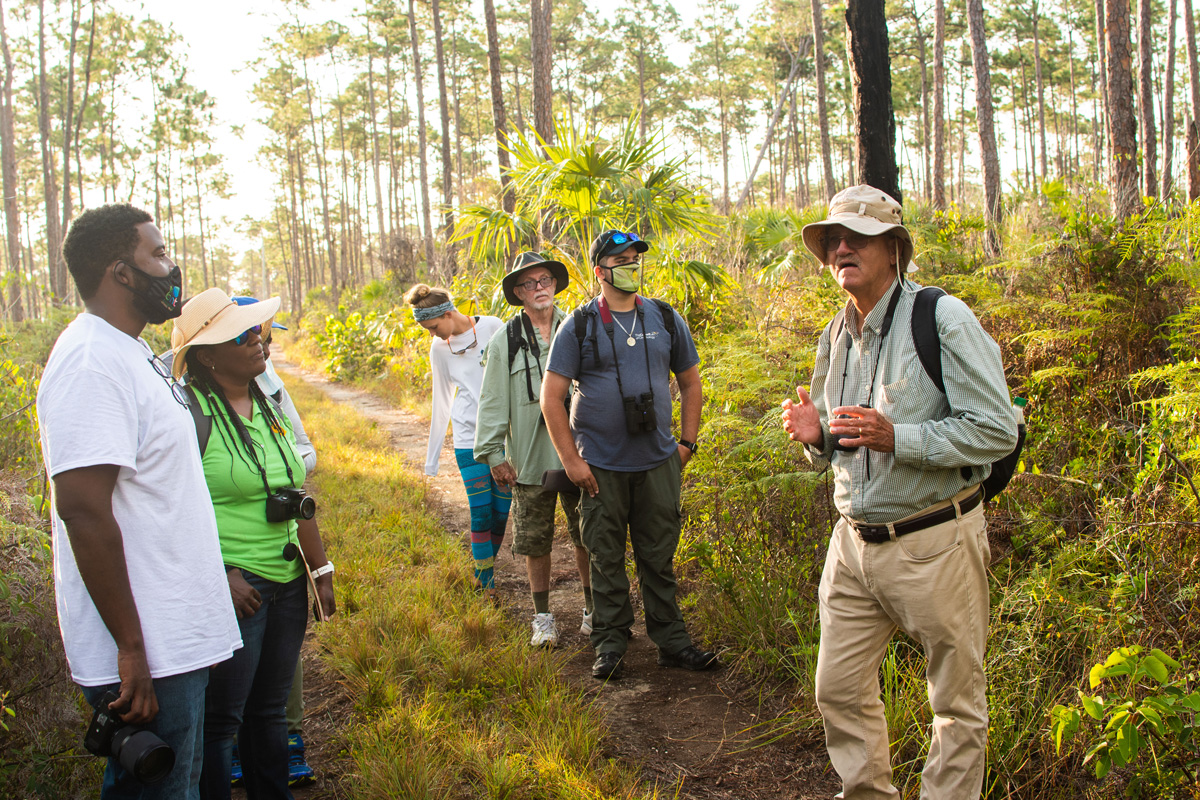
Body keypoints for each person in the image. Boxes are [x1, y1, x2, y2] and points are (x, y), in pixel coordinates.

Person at [780, 185, 1018, 799]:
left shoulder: (940, 318)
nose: (840, 247)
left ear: (894, 249)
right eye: (833, 238)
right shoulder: (836, 333)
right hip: (853, 545)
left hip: (934, 540)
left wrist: (899, 437)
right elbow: (840, 434)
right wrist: (817, 437)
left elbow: (994, 429)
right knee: (837, 690)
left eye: (857, 237)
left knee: (956, 703)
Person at [36, 204, 241, 799]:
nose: (172, 267)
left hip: (175, 634)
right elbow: (83, 508)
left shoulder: (133, 355)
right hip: (147, 649)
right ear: (121, 273)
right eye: (157, 254)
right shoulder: (90, 361)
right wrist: (130, 648)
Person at [171, 288, 337, 800]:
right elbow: (171, 512)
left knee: (268, 713)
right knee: (222, 721)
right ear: (207, 356)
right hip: (234, 589)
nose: (257, 341)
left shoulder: (267, 402)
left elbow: (293, 493)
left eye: (256, 332)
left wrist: (320, 568)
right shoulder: (187, 414)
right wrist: (221, 573)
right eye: (241, 337)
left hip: (287, 583)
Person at [540, 230, 718, 681]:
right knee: (605, 557)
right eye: (621, 259)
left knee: (659, 557)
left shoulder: (664, 317)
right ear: (600, 270)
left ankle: (672, 643)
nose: (632, 265)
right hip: (600, 466)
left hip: (659, 463)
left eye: (636, 257)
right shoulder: (578, 325)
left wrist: (687, 443)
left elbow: (692, 381)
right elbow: (551, 398)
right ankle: (611, 644)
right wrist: (572, 461)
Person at [474, 252, 593, 648]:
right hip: (529, 459)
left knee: (587, 535)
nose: (539, 288)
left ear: (555, 285)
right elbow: (492, 399)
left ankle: (594, 610)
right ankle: (543, 617)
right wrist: (493, 454)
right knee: (534, 540)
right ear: (519, 294)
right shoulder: (504, 340)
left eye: (545, 280)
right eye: (529, 283)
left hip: (580, 453)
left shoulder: (579, 327)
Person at [232, 298, 317, 787]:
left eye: (267, 333)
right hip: (233, 562)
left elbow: (301, 447)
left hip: (280, 538)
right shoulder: (192, 396)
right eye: (258, 331)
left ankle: (286, 737)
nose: (267, 340)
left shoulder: (270, 382)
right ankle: (242, 744)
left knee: (279, 659)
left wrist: (280, 470)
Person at [405, 283, 510, 597]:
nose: (432, 334)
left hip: (503, 436)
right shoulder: (439, 348)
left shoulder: (493, 326)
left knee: (502, 514)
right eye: (427, 329)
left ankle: (483, 572)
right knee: (480, 512)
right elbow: (442, 401)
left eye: (434, 326)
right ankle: (485, 583)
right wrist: (432, 457)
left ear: (448, 313)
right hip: (468, 439)